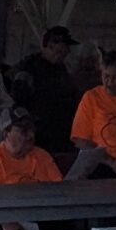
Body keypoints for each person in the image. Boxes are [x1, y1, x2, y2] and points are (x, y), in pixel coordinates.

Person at [10, 26, 81, 155]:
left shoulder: (61, 69)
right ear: (49, 46)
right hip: (41, 135)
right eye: (60, 50)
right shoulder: (29, 69)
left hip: (62, 133)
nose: (66, 52)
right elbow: (18, 102)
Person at [68, 50, 116, 176]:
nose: (109, 83)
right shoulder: (92, 97)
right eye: (106, 76)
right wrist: (112, 162)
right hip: (102, 165)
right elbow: (81, 140)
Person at [0, 109, 62, 188]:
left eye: (32, 129)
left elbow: (60, 191)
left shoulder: (43, 157)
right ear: (6, 134)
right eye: (24, 131)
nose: (31, 136)